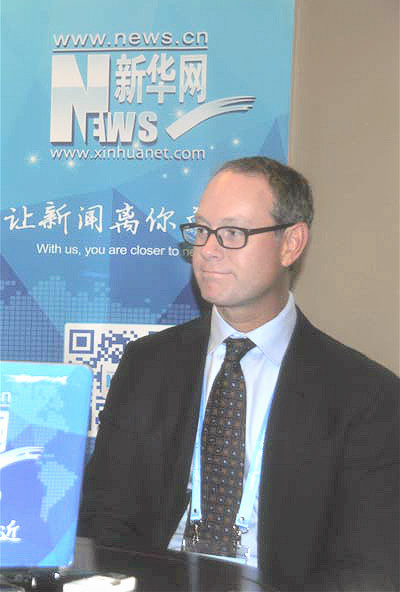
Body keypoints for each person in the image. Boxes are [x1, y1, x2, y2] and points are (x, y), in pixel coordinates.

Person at [78, 157, 399, 591]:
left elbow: (369, 567)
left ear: (291, 243)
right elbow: (103, 519)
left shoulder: (366, 396)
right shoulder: (147, 365)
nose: (207, 250)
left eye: (232, 233)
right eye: (201, 230)